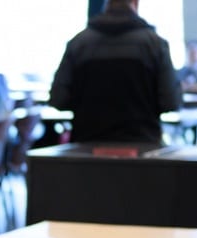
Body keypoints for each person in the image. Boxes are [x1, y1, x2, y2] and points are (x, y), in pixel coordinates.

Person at [49, 0, 180, 144]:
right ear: (135, 3)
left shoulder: (79, 44)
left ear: (106, 4)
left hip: (87, 147)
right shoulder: (155, 45)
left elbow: (58, 99)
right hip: (143, 147)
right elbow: (170, 102)